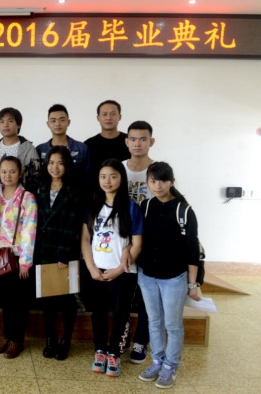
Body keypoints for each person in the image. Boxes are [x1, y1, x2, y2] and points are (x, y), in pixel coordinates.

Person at [137, 162, 201, 389]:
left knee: (173, 324)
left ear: (171, 182)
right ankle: (157, 361)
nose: (158, 186)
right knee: (154, 321)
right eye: (153, 181)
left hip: (174, 277)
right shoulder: (145, 206)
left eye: (163, 181)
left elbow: (193, 250)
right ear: (147, 182)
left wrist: (193, 284)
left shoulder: (184, 210)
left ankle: (170, 366)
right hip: (147, 275)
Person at [81, 159, 143, 377]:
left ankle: (114, 352)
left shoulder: (131, 207)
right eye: (103, 176)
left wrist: (118, 270)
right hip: (96, 271)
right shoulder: (92, 206)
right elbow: (85, 238)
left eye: (113, 176)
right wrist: (91, 267)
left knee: (120, 314)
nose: (107, 181)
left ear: (122, 179)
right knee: (97, 312)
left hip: (123, 273)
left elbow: (137, 244)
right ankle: (100, 350)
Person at [33, 146, 84, 361]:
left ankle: (66, 340)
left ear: (67, 166)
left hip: (65, 252)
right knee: (47, 299)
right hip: (42, 250)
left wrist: (63, 253)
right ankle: (50, 338)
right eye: (52, 162)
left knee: (66, 299)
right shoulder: (39, 186)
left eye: (60, 163)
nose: (55, 167)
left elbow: (73, 224)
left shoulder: (74, 189)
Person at [0, 156, 37, 359]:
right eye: (3, 172)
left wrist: (25, 262)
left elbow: (29, 230)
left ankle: (17, 339)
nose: (7, 176)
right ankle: (7, 336)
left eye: (12, 171)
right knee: (5, 301)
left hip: (18, 257)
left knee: (19, 301)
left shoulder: (27, 197)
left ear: (20, 173)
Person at [123, 120, 156, 364]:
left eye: (143, 139)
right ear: (126, 141)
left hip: (150, 242)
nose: (137, 144)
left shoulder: (158, 170)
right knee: (124, 295)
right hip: (121, 242)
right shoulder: (118, 168)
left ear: (151, 142)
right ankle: (122, 336)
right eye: (133, 139)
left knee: (146, 296)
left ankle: (141, 341)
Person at [36, 104, 90, 185]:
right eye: (53, 121)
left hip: (77, 192)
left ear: (68, 122)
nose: (57, 124)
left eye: (62, 120)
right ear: (48, 124)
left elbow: (88, 178)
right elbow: (37, 178)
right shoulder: (40, 150)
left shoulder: (82, 149)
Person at [0, 107, 40, 191]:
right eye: (2, 122)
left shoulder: (28, 149)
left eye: (10, 121)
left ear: (18, 124)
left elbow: (35, 177)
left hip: (18, 196)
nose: (5, 125)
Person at [84, 100, 130, 177]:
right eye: (104, 114)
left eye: (113, 114)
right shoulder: (88, 145)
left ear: (120, 117)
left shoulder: (130, 141)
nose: (108, 118)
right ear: (98, 118)